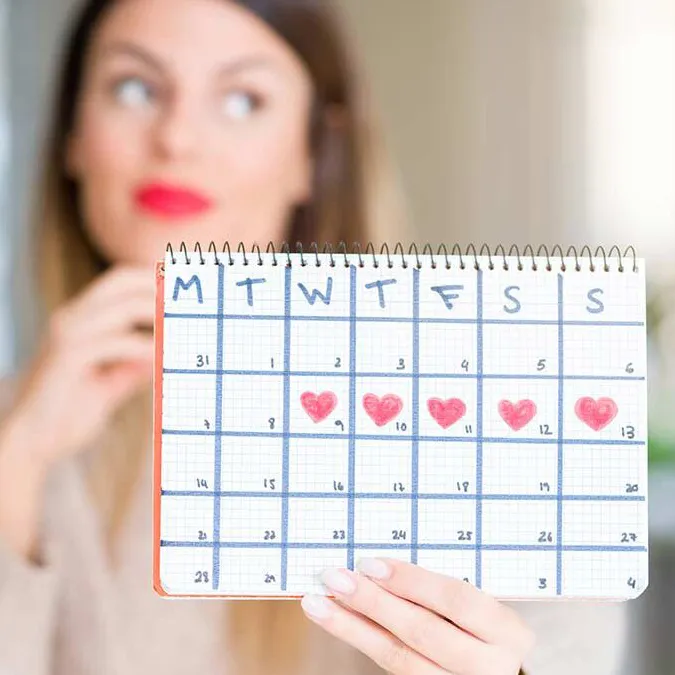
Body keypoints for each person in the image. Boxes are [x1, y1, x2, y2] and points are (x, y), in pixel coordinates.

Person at [0, 0, 628, 674]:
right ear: (73, 134)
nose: (176, 138)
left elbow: (569, 650)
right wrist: (16, 464)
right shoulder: (20, 435)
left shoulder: (478, 408)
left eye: (242, 99)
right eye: (135, 88)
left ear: (312, 151)